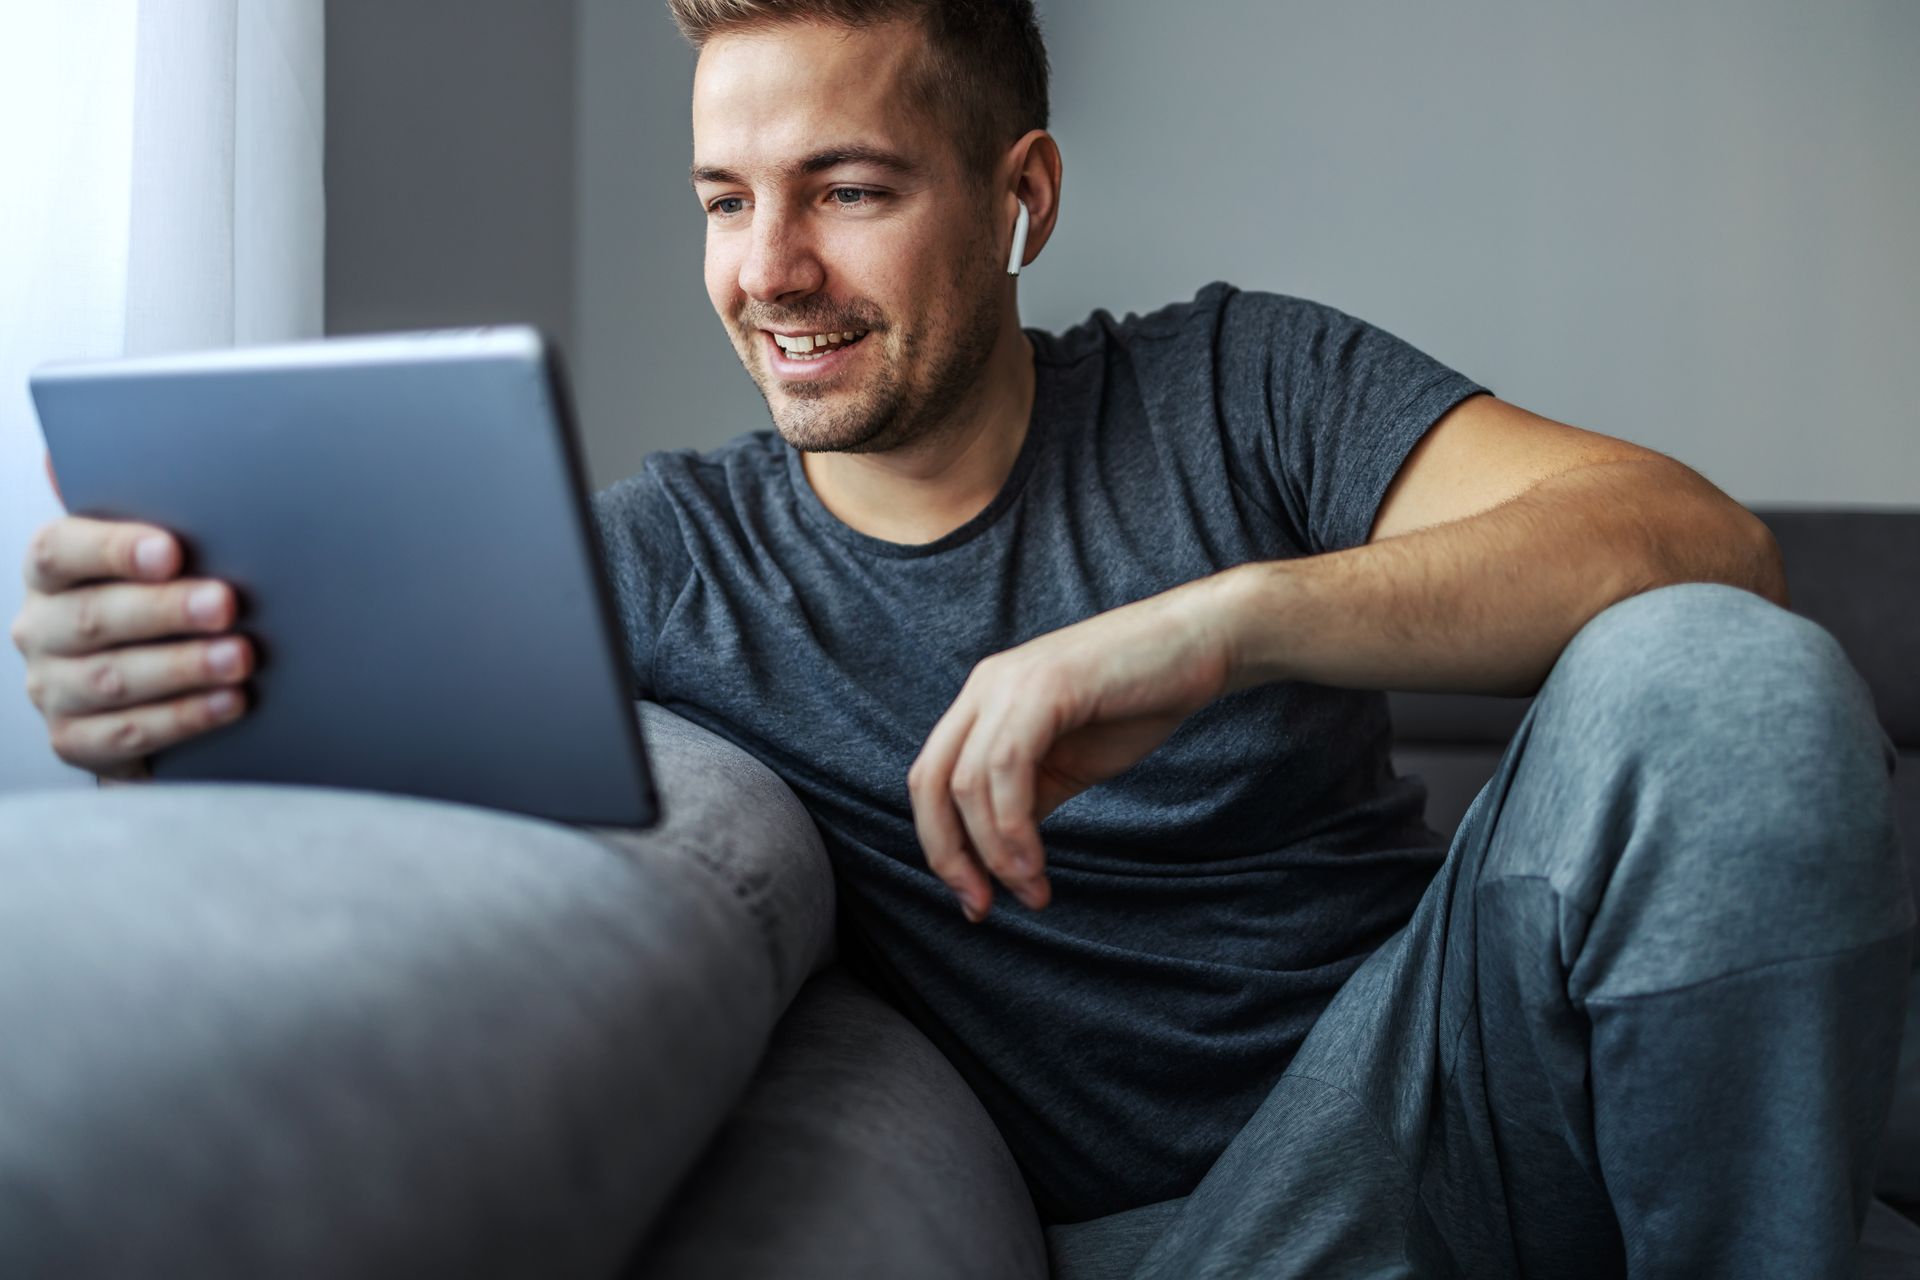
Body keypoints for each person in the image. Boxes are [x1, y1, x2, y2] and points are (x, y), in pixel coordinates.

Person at [11, 0, 1908, 1274]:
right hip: (1198, 1242)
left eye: (847, 190)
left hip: (1457, 1090)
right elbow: (346, 720)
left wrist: (1214, 631)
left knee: (1724, 680)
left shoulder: (1241, 381)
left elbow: (1696, 543)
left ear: (1022, 200)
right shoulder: (675, 566)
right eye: (725, 201)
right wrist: (149, 690)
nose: (768, 275)